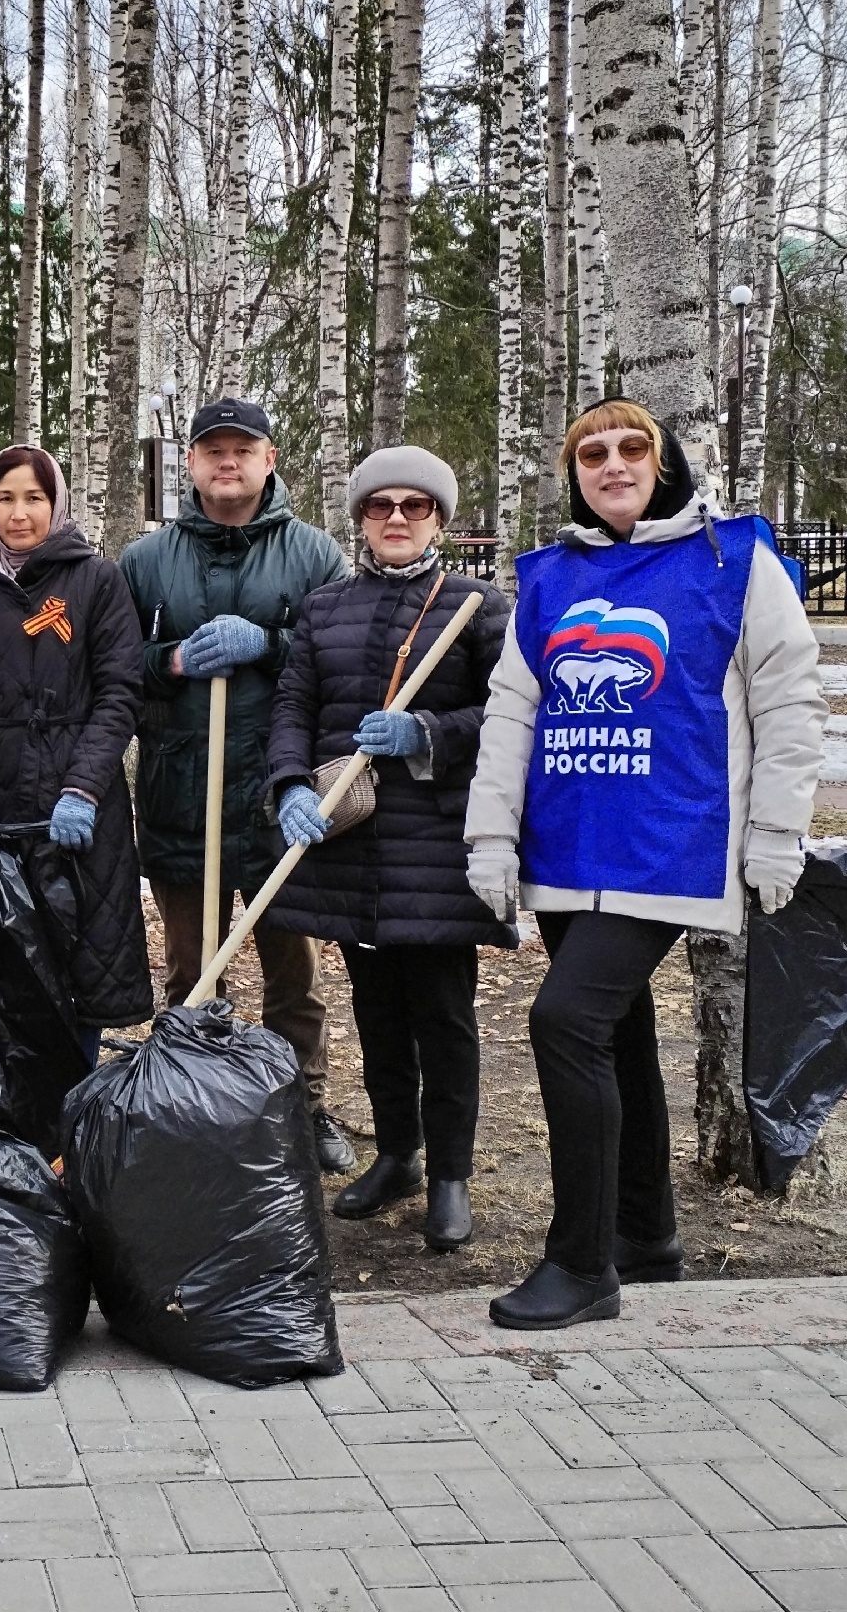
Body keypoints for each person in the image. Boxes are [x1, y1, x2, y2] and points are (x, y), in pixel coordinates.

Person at [465, 400, 824, 1329]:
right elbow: (513, 714)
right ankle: (645, 1233)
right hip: (568, 846)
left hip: (673, 845)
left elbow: (789, 702)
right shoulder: (550, 579)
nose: (612, 463)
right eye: (591, 451)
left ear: (662, 462)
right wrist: (491, 839)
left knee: (565, 1022)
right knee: (612, 1032)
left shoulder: (731, 560)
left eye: (632, 448)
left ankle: (582, 1264)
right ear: (573, 472)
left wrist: (778, 834)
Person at [265, 448, 512, 1251]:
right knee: (375, 1010)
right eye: (381, 506)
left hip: (438, 852)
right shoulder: (326, 607)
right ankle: (399, 1154)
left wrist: (429, 732)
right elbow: (293, 707)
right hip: (355, 847)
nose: (397, 518)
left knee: (442, 1015)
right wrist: (292, 784)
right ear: (361, 519)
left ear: (439, 518)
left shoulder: (476, 608)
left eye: (414, 506)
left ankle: (450, 1174)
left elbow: (511, 713)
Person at [120, 397, 356, 1174]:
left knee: (294, 972)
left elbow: (337, 659)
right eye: (212, 450)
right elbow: (116, 670)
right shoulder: (147, 561)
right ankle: (191, 1100)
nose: (227, 462)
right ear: (191, 463)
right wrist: (175, 662)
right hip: (179, 791)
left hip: (275, 795)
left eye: (241, 450)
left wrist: (271, 643)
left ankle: (305, 1106)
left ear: (269, 459)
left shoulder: (314, 555)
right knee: (191, 968)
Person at [0, 446, 150, 1115]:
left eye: (33, 497)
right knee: (13, 960)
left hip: (78, 812)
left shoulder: (97, 581)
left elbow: (121, 692)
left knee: (80, 960)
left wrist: (83, 788)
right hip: (0, 808)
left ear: (55, 502)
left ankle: (76, 1112)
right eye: (6, 498)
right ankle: (18, 1111)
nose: (20, 512)